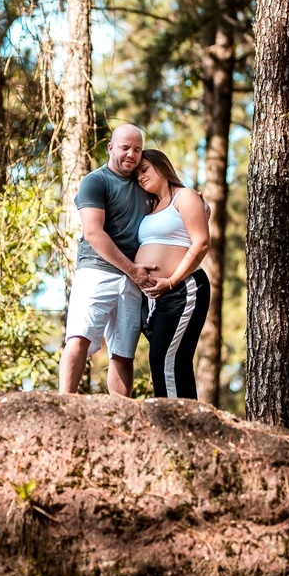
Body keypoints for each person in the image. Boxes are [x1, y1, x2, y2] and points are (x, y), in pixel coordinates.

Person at [59, 124, 156, 397]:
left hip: (133, 279)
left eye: (137, 149)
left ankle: (121, 414)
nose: (131, 154)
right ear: (111, 148)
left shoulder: (144, 181)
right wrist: (133, 271)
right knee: (79, 337)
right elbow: (93, 233)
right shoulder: (95, 181)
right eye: (125, 148)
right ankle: (63, 403)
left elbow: (174, 194)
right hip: (96, 272)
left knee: (123, 352)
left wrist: (198, 201)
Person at [134, 149, 210, 399]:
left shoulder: (184, 196)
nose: (140, 177)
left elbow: (201, 242)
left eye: (144, 169)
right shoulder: (152, 207)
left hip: (183, 288)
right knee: (171, 361)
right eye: (137, 174)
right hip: (156, 297)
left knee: (165, 360)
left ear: (161, 166)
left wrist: (170, 281)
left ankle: (175, 421)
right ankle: (189, 418)